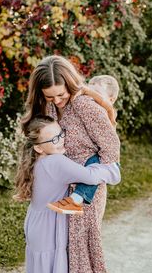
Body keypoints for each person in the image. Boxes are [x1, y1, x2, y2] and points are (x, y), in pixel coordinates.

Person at [21, 55, 120, 273]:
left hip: (86, 190)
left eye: (60, 94)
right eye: (50, 96)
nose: (56, 100)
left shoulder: (86, 106)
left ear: (70, 83)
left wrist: (87, 183)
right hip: (60, 187)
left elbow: (111, 151)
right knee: (64, 255)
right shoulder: (50, 106)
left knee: (79, 258)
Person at [47, 74, 120, 215]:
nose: (91, 97)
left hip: (103, 157)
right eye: (90, 90)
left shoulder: (107, 110)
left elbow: (106, 107)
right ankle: (74, 200)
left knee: (93, 168)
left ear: (111, 99)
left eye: (97, 93)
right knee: (91, 169)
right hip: (95, 153)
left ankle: (76, 200)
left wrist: (86, 91)